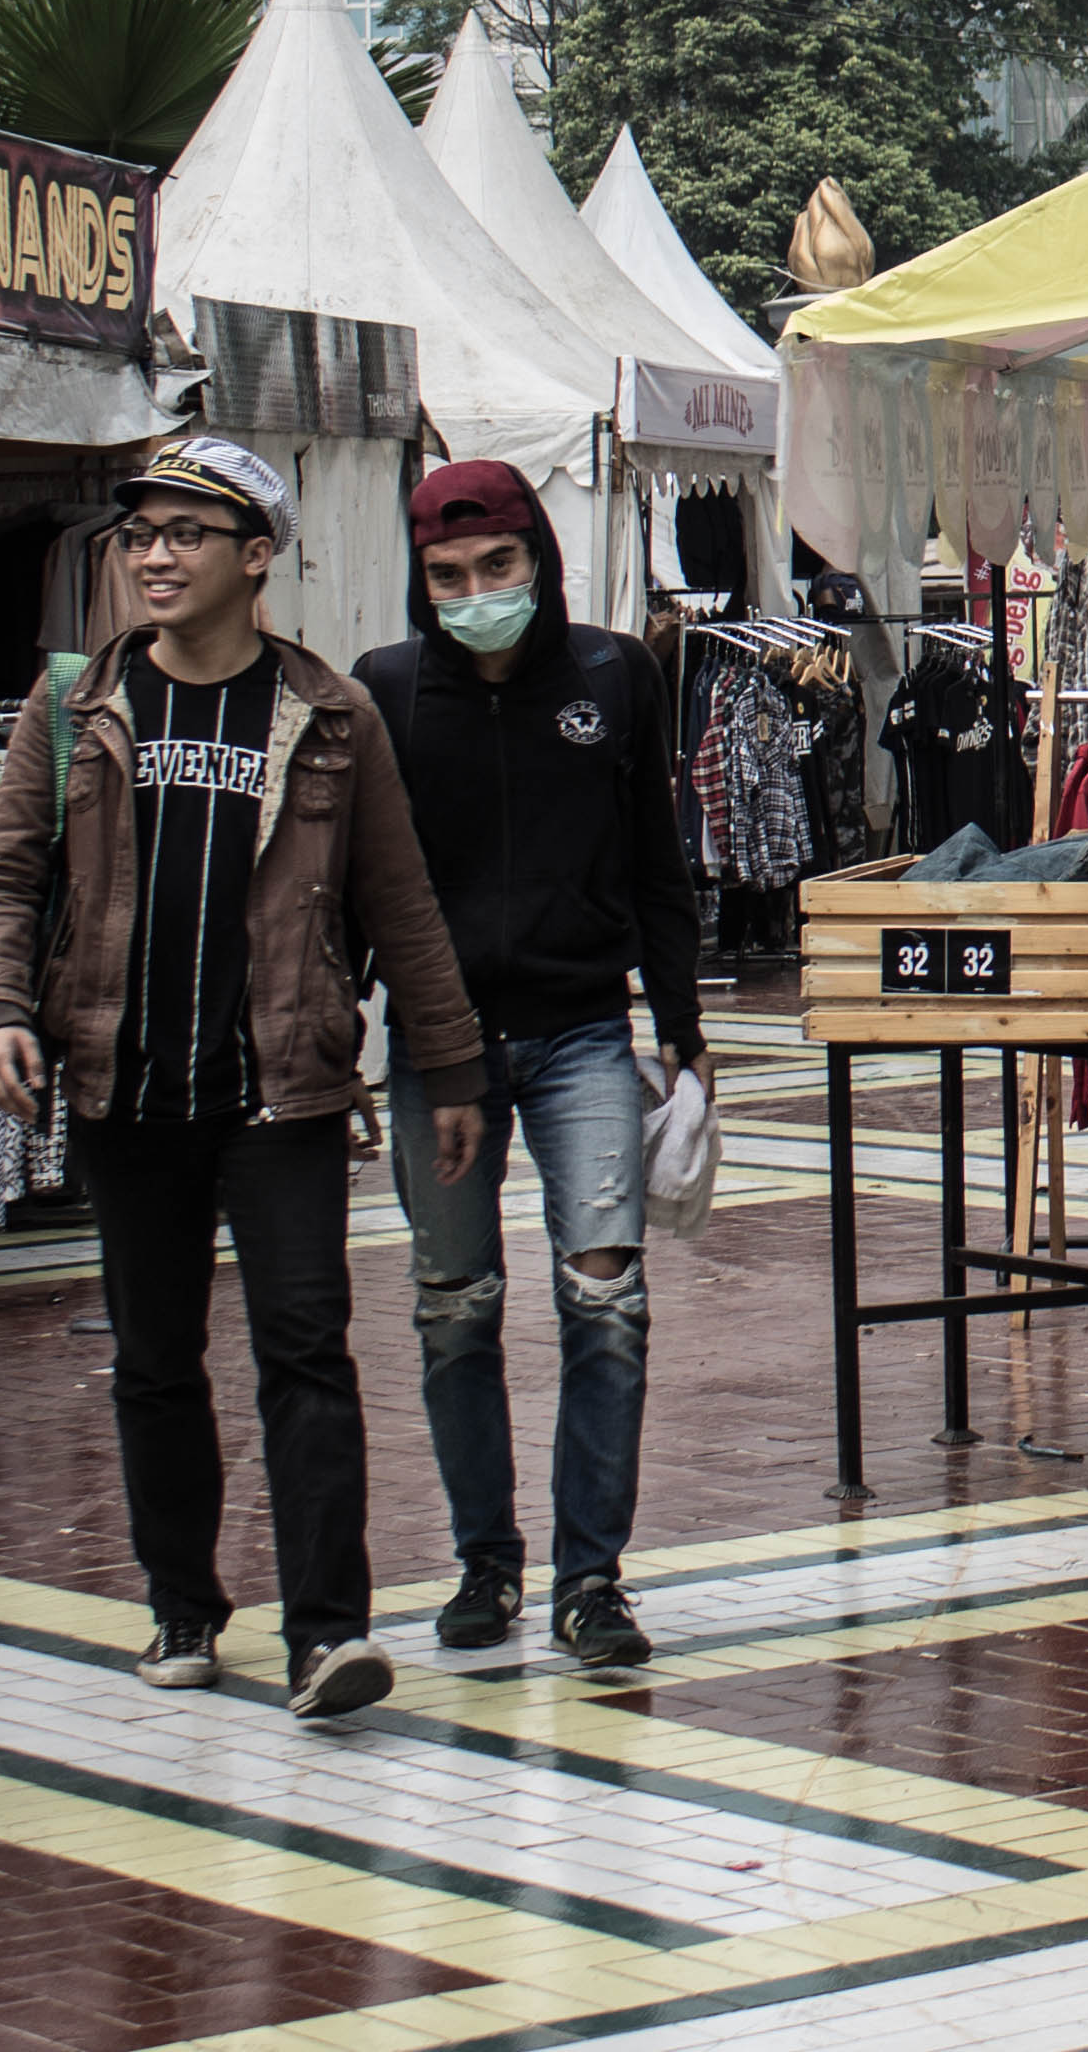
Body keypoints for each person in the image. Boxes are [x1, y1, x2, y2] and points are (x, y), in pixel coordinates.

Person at [0, 435, 487, 1721]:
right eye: (140, 534)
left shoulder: (331, 716)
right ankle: (183, 1607)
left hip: (281, 1089)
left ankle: (327, 1634)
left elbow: (400, 901)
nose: (154, 556)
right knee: (156, 1359)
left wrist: (452, 1061)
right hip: (125, 1086)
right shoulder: (73, 707)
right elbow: (3, 875)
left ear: (257, 557)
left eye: (185, 534)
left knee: (306, 1354)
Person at [354, 460, 706, 1672]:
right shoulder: (387, 692)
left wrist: (683, 1024)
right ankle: (485, 1563)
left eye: (497, 567)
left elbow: (656, 857)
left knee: (606, 1299)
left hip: (583, 1034)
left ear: (540, 561)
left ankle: (590, 1578)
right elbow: (364, 887)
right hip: (437, 1048)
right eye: (449, 576)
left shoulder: (615, 675)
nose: (477, 595)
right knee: (455, 1308)